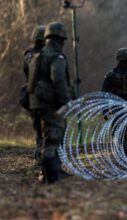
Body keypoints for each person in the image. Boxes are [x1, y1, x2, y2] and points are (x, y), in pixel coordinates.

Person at [28, 21, 74, 183]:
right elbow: (59, 80)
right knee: (52, 140)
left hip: (36, 104)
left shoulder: (36, 57)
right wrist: (66, 102)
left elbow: (31, 83)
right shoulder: (57, 57)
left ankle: (45, 174)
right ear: (60, 39)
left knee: (43, 138)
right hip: (50, 105)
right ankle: (52, 178)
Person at [22, 25, 46, 163]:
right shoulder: (45, 55)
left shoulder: (28, 55)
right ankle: (43, 158)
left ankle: (40, 156)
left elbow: (26, 72)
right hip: (42, 96)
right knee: (45, 129)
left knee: (38, 128)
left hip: (32, 97)